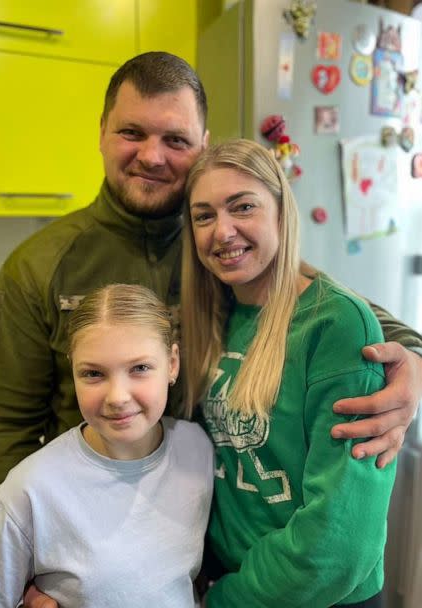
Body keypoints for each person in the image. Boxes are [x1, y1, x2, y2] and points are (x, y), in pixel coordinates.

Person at [0, 51, 422, 535]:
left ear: (202, 146)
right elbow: (2, 426)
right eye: (131, 133)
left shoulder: (222, 248)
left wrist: (413, 358)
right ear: (102, 132)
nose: (152, 156)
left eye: (175, 139)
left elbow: (325, 304)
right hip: (83, 531)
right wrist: (15, 558)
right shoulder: (38, 265)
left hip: (209, 528)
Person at [182, 139, 397, 608]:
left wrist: (227, 600)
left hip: (315, 594)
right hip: (232, 578)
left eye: (243, 207)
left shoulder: (335, 324)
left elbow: (338, 544)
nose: (222, 231)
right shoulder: (214, 315)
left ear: (281, 212)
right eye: (204, 215)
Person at [0, 284, 214, 608]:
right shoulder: (30, 491)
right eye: (94, 373)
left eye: (139, 368)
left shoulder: (197, 449)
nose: (118, 397)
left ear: (172, 364)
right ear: (73, 370)